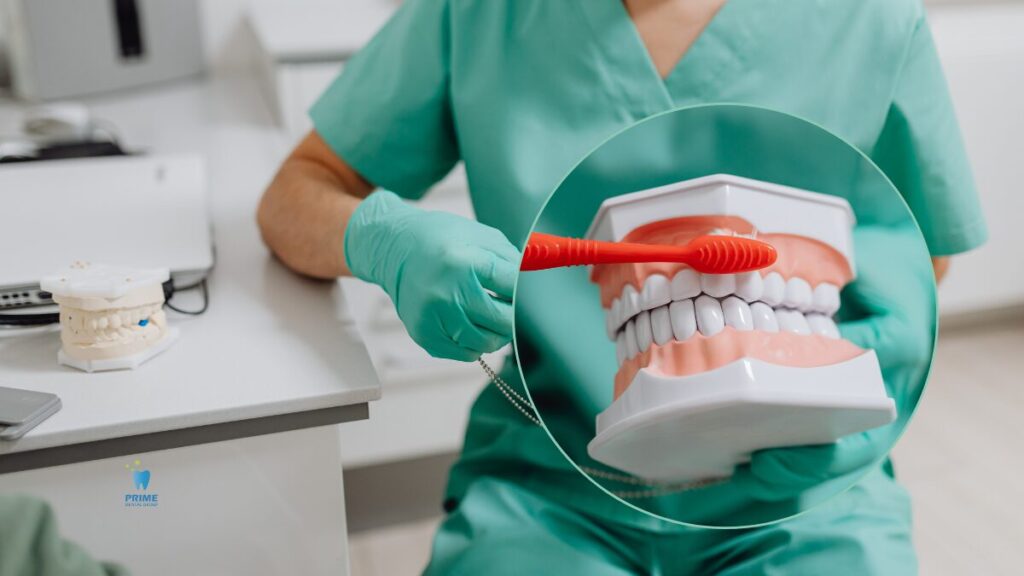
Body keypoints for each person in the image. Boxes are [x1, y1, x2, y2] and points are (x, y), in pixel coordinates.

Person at [257, 0, 987, 572]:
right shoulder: (476, 11)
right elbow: (295, 193)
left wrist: (847, 381)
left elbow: (923, 254)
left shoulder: (874, 17)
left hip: (804, 492)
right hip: (553, 480)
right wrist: (383, 241)